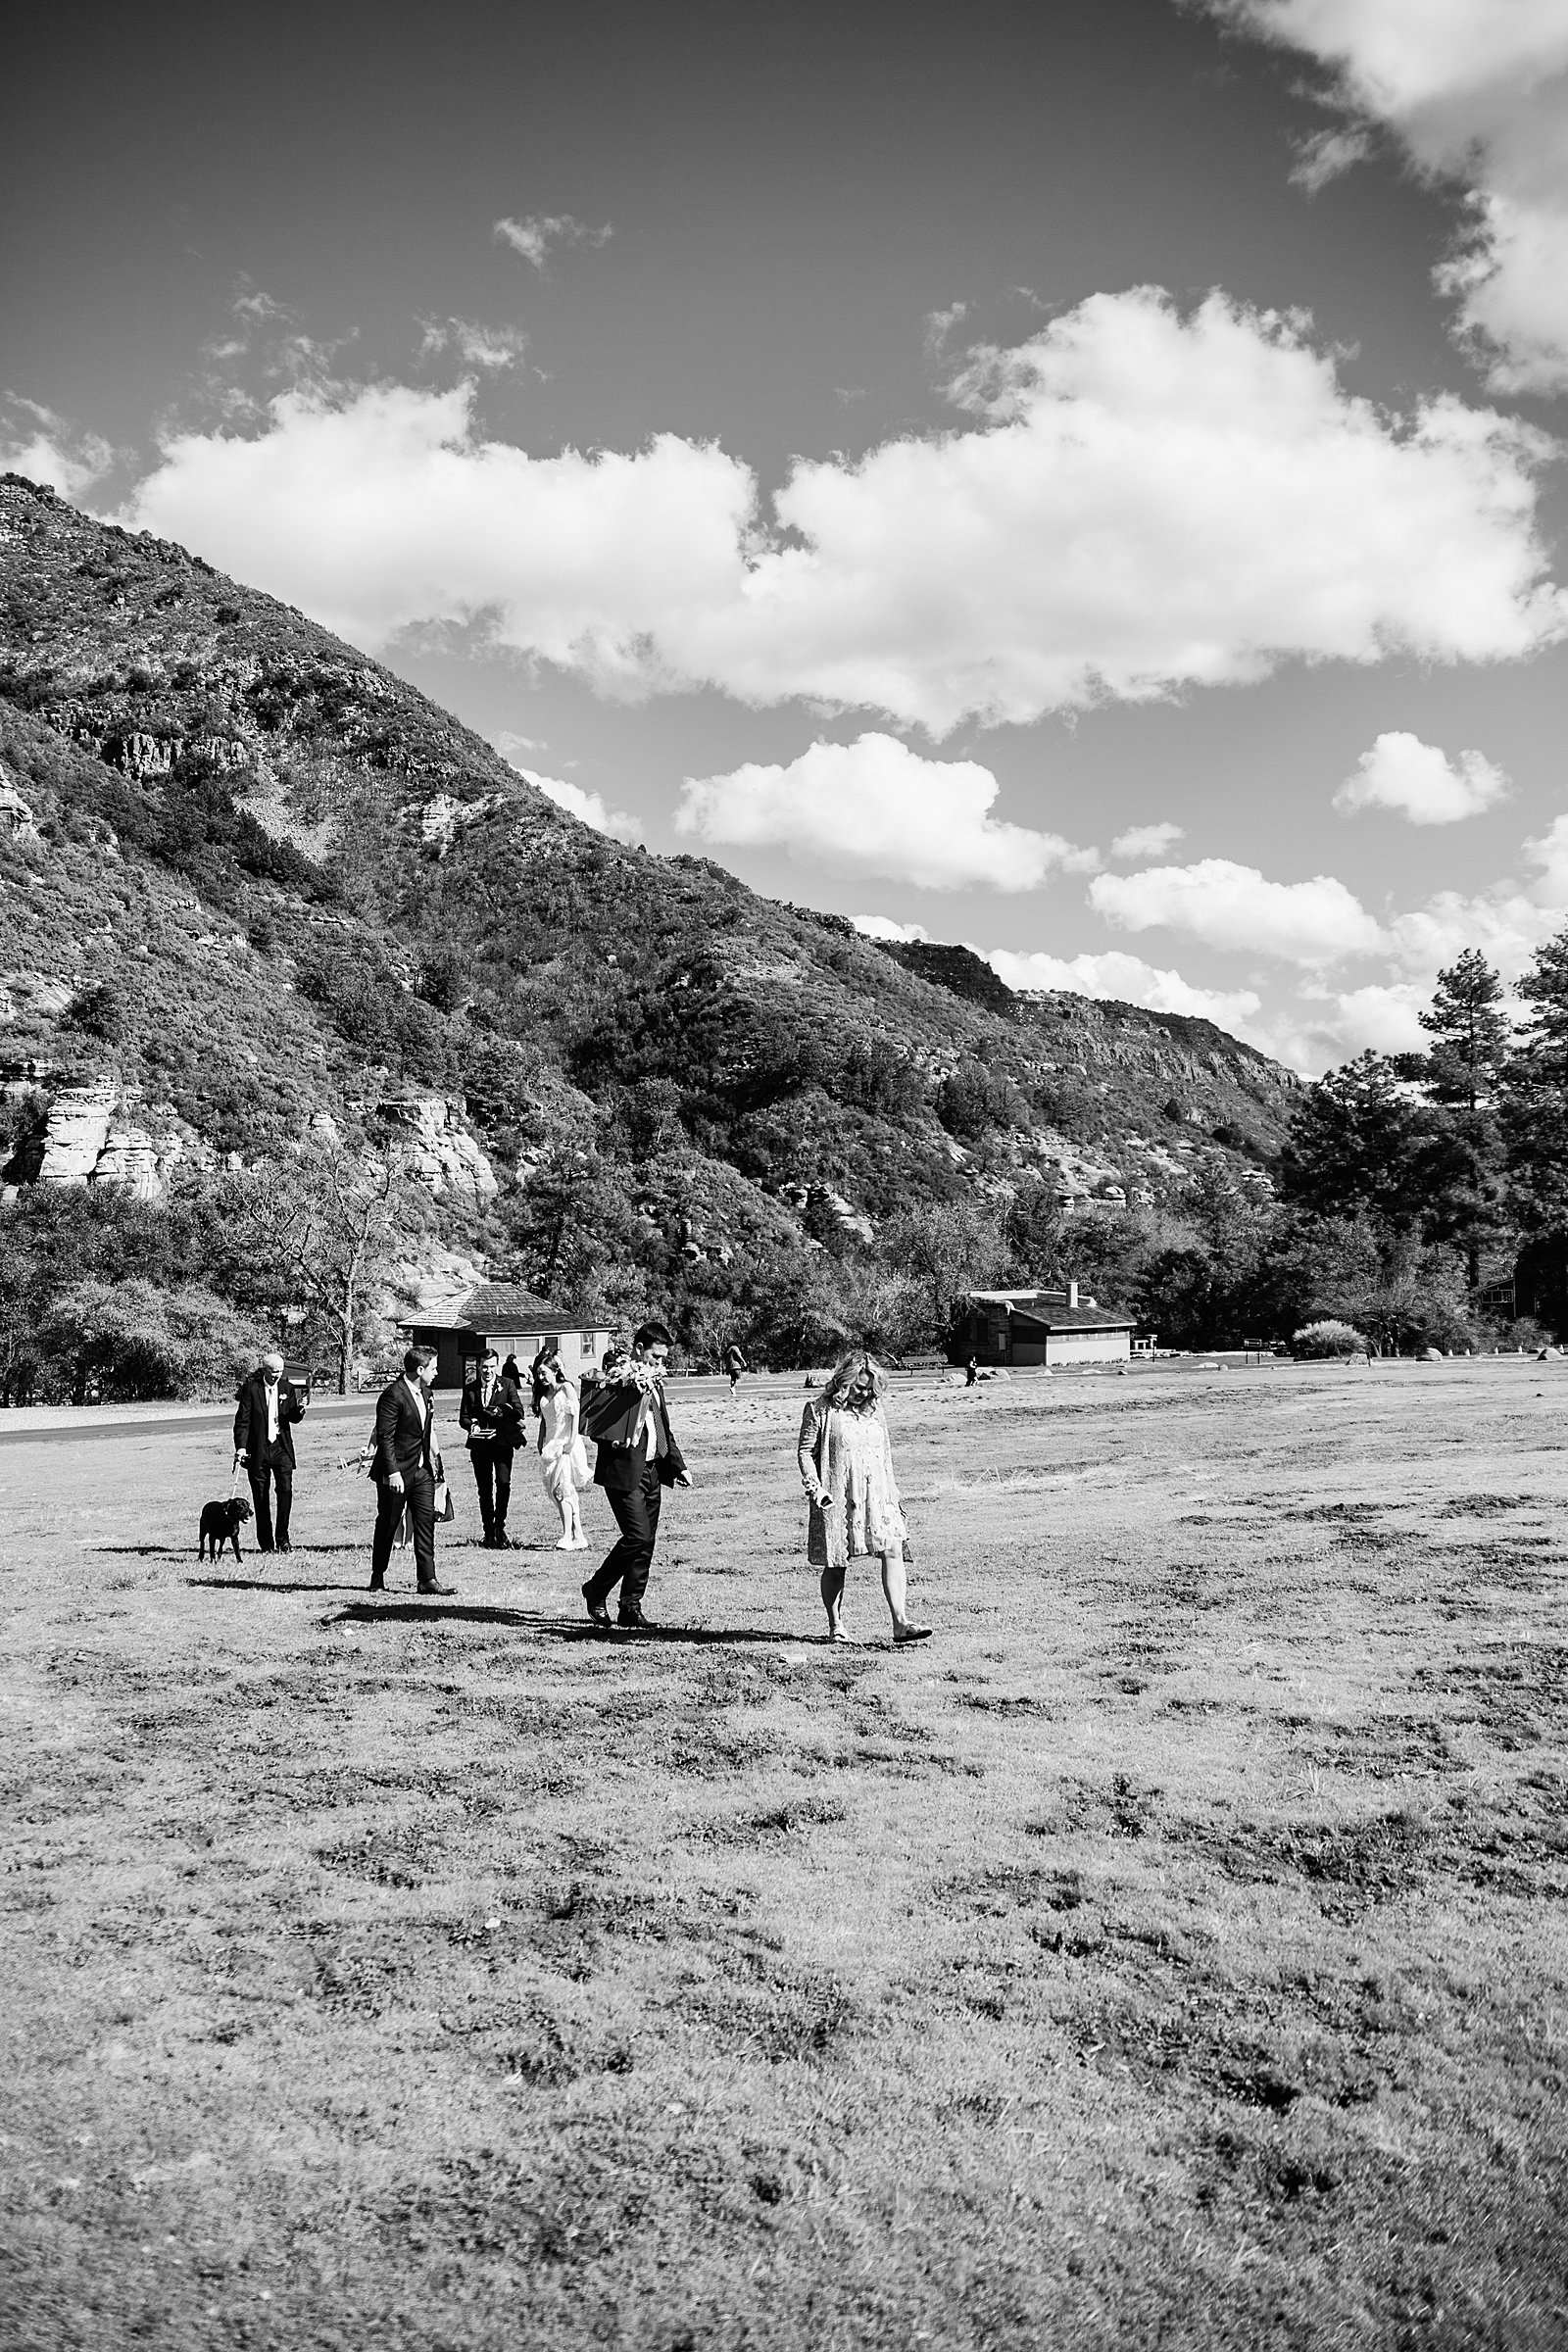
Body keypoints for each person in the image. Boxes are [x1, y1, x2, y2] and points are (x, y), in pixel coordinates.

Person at [797, 1350, 931, 1646]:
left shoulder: (875, 1409)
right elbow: (805, 1452)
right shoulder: (819, 1409)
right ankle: (836, 1626)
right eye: (859, 1386)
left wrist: (893, 1490)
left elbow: (885, 1452)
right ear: (844, 1379)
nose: (864, 1393)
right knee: (837, 1561)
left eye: (869, 1388)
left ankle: (901, 1623)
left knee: (893, 1550)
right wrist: (815, 1485)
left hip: (878, 1492)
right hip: (838, 1494)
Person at [579, 1321, 691, 1631]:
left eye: (663, 1359)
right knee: (637, 1535)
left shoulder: (655, 1382)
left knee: (647, 1540)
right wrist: (610, 1438)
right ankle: (596, 1588)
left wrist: (678, 1465)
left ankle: (630, 1606)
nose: (660, 1364)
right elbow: (597, 1423)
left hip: (654, 1469)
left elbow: (662, 1427)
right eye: (655, 1357)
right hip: (623, 1470)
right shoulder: (617, 1379)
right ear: (639, 1349)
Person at [368, 1347, 454, 1595]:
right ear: (420, 1369)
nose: (436, 1372)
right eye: (433, 1368)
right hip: (395, 1473)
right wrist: (393, 1472)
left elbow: (427, 1432)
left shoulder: (427, 1393)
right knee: (388, 1523)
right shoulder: (392, 1395)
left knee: (425, 1522)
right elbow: (385, 1437)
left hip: (421, 1472)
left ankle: (427, 1579)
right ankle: (378, 1576)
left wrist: (436, 1465)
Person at [233, 1348, 307, 1553]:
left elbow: (292, 1417)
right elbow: (242, 1422)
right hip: (258, 1450)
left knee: (285, 1492)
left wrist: (299, 1409)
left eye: (280, 1371)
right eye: (274, 1372)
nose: (277, 1376)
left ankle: (283, 1539)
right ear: (265, 1370)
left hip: (281, 1448)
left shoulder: (287, 1388)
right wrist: (241, 1447)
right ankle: (266, 1544)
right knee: (260, 1496)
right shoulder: (251, 1389)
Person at [460, 1348, 518, 1548]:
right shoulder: (470, 1388)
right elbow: (463, 1417)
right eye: (484, 1367)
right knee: (484, 1489)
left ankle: (499, 1526)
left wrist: (502, 1412)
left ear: (497, 1366)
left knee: (503, 1483)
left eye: (492, 1367)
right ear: (478, 1366)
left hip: (502, 1443)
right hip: (480, 1445)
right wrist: (472, 1425)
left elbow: (519, 1412)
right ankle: (488, 1531)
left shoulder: (507, 1384)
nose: (488, 1371)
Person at [534, 1355, 589, 1549]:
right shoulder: (543, 1393)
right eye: (538, 1373)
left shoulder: (566, 1388)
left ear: (555, 1371)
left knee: (563, 1489)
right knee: (556, 1491)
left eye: (544, 1372)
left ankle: (566, 1536)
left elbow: (575, 1416)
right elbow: (544, 1420)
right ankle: (579, 1535)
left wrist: (572, 1441)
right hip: (550, 1444)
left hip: (565, 1444)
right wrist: (540, 1441)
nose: (541, 1377)